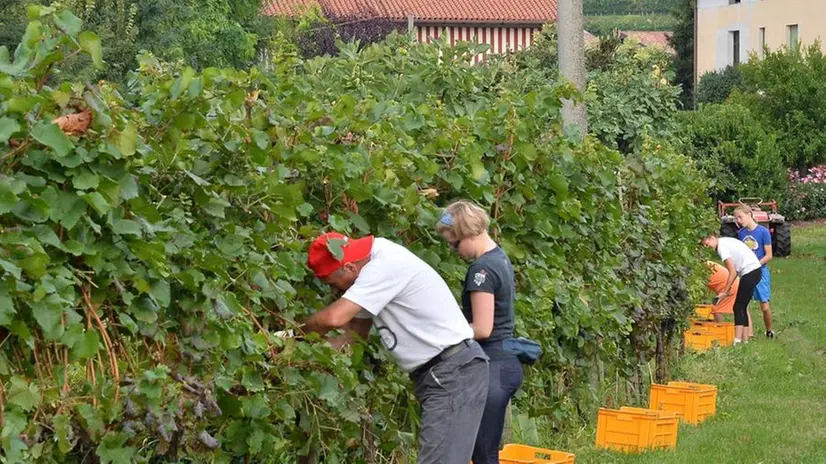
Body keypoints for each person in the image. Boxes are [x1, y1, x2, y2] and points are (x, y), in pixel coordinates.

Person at [303, 232, 489, 464]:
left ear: (349, 267)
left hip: (452, 372)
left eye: (333, 284)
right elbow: (352, 335)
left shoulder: (383, 266)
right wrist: (304, 355)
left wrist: (295, 333)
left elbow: (333, 319)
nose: (335, 292)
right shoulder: (370, 269)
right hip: (445, 373)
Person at [436, 201, 522, 464]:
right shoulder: (500, 258)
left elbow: (483, 329)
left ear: (468, 234)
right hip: (504, 364)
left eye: (454, 243)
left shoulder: (481, 271)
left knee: (484, 452)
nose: (454, 250)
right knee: (483, 451)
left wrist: (444, 335)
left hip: (492, 367)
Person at [702, 234, 762, 344]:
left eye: (706, 243)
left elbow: (732, 271)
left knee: (738, 306)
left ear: (712, 237)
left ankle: (737, 340)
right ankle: (745, 340)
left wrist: (725, 291)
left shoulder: (721, 247)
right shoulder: (725, 242)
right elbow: (734, 272)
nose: (706, 246)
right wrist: (726, 291)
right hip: (754, 271)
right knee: (742, 307)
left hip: (750, 271)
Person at [733, 205, 776, 338]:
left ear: (749, 214)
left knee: (764, 306)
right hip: (746, 273)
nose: (739, 220)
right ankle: (749, 334)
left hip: (760, 271)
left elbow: (769, 255)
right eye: (736, 218)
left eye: (740, 217)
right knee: (744, 303)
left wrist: (755, 265)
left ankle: (769, 330)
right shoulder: (741, 234)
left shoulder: (763, 232)